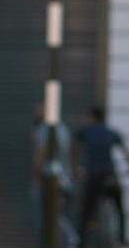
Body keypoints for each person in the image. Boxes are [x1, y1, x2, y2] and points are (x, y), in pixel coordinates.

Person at [75, 106, 129, 247]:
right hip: (110, 176)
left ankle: (81, 242)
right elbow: (127, 153)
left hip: (93, 176)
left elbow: (74, 148)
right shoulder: (111, 133)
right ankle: (122, 240)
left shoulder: (86, 131)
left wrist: (75, 168)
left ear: (91, 117)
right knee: (120, 209)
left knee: (86, 212)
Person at [30, 104, 78, 247]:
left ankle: (69, 239)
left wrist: (36, 177)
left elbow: (41, 153)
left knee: (48, 217)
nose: (36, 111)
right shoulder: (63, 128)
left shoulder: (45, 129)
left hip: (49, 180)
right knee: (57, 216)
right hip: (66, 180)